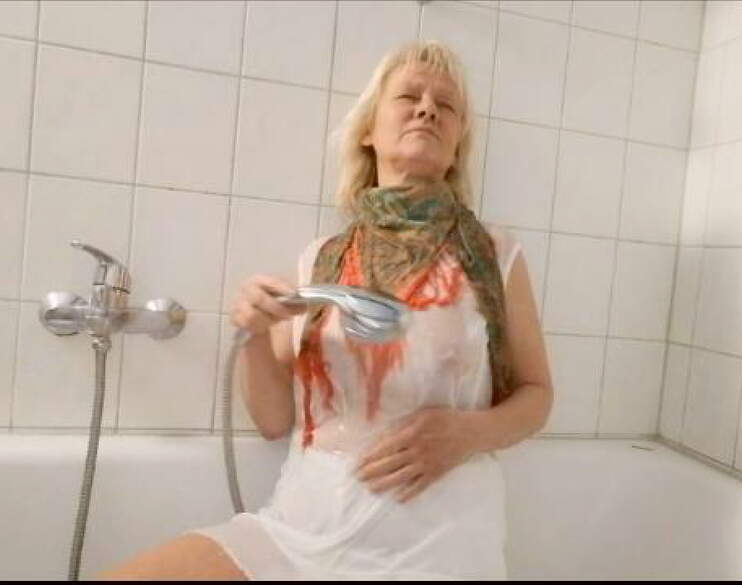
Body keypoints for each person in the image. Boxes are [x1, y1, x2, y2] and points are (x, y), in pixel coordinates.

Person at [96, 40, 553, 581]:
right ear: (369, 130)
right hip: (302, 529)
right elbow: (273, 421)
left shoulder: (495, 256)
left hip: (434, 541)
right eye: (409, 96)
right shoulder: (322, 260)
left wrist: (467, 434)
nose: (428, 109)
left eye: (446, 105)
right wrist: (254, 333)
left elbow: (537, 395)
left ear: (457, 148)